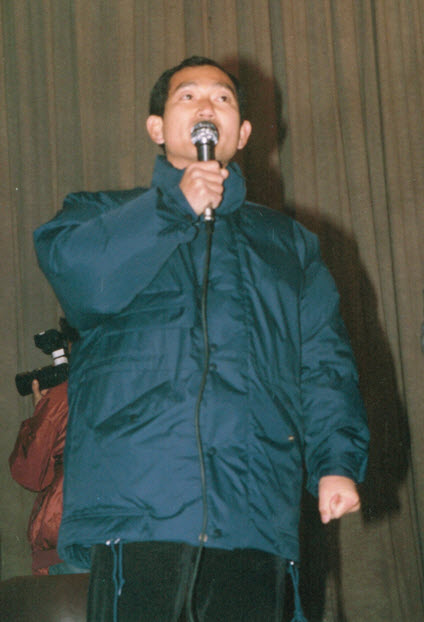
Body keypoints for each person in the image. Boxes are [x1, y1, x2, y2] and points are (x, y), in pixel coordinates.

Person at [33, 56, 369, 621]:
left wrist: (336, 460)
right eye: (187, 97)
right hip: (139, 513)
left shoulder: (289, 245)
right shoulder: (95, 216)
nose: (206, 106)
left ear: (242, 133)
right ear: (157, 128)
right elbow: (83, 282)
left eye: (223, 99)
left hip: (254, 515)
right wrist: (174, 206)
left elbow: (324, 364)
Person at [9, 319, 85, 575]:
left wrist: (40, 413)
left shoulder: (60, 396)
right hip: (119, 535)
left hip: (66, 532)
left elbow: (31, 474)